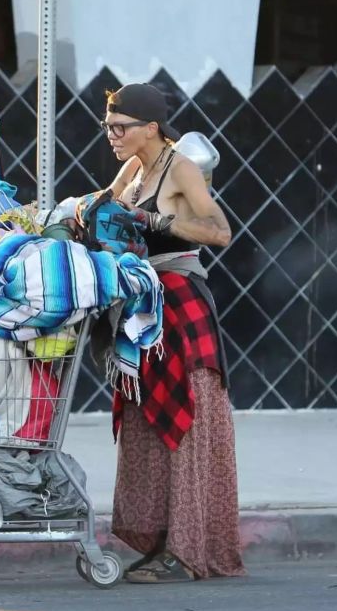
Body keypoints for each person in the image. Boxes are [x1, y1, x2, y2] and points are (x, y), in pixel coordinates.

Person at [99, 83, 245, 583]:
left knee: (183, 421)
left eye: (121, 127)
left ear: (151, 128)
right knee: (147, 421)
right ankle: (160, 537)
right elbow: (104, 208)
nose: (113, 135)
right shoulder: (134, 168)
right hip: (145, 305)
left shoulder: (179, 166)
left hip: (180, 303)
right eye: (108, 126)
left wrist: (155, 218)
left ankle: (187, 550)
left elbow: (219, 230)